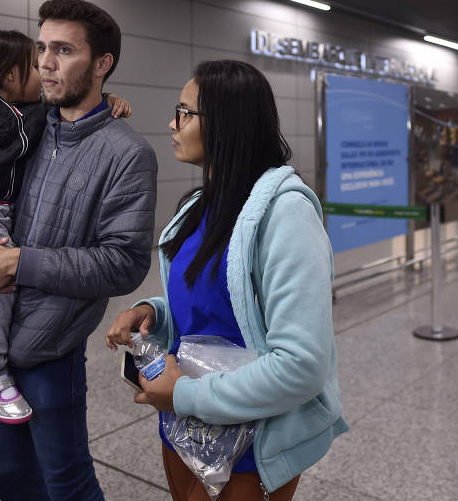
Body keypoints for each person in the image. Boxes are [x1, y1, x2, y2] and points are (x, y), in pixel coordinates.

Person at [105, 60, 348, 501]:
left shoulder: (286, 215)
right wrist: (153, 313)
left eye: (185, 112)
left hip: (249, 448)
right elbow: (212, 300)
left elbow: (302, 365)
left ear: (226, 123)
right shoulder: (202, 204)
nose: (171, 123)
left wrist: (184, 394)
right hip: (183, 427)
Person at [0, 0, 157, 500]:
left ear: (102, 63)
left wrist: (15, 262)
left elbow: (124, 263)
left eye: (63, 50)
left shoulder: (128, 154)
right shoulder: (24, 130)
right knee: (13, 478)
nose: (45, 61)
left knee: (66, 484)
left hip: (48, 350)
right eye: (42, 47)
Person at [0, 29, 132, 451]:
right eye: (34, 63)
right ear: (6, 73)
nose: (43, 70)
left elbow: (68, 108)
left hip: (3, 210)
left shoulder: (25, 110)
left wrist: (108, 102)